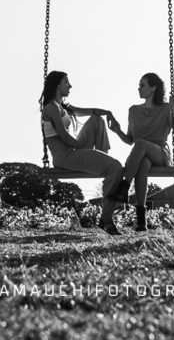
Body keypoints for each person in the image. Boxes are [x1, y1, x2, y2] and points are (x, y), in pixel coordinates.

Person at [39, 70, 127, 235]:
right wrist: (82, 148)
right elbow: (64, 137)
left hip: (72, 151)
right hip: (65, 156)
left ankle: (103, 163)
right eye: (66, 82)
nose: (70, 86)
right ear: (57, 85)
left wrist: (108, 112)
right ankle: (106, 219)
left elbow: (91, 111)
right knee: (115, 167)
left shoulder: (64, 107)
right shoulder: (51, 108)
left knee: (96, 119)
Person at [107, 73, 174, 232]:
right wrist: (117, 131)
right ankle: (141, 220)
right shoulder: (133, 110)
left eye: (143, 85)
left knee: (141, 144)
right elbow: (130, 140)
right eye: (139, 85)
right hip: (140, 155)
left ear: (153, 87)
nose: (139, 88)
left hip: (160, 153)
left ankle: (124, 187)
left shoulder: (166, 108)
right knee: (143, 163)